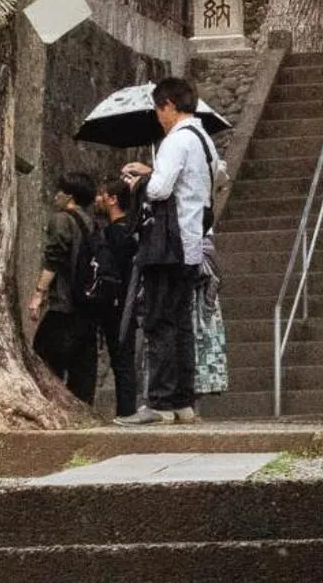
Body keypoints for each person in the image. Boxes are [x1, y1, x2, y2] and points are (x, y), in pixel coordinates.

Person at [114, 77, 218, 425]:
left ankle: (159, 403)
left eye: (160, 110)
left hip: (166, 245)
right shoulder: (204, 140)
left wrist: (140, 180)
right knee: (181, 324)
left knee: (159, 321)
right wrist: (154, 171)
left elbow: (159, 190)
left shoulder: (176, 141)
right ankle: (183, 402)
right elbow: (208, 178)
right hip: (192, 243)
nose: (159, 117)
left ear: (170, 106)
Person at [27, 172, 98, 405]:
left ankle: (52, 404)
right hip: (86, 303)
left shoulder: (61, 220)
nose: (56, 195)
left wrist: (39, 292)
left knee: (43, 354)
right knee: (82, 365)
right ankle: (81, 405)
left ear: (69, 196)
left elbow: (54, 259)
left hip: (64, 300)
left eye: (60, 191)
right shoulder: (90, 223)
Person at [90, 176, 139, 421]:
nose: (97, 199)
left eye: (102, 194)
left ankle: (127, 410)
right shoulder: (133, 230)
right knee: (124, 357)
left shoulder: (113, 233)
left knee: (121, 358)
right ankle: (126, 409)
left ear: (113, 200)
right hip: (128, 299)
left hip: (116, 302)